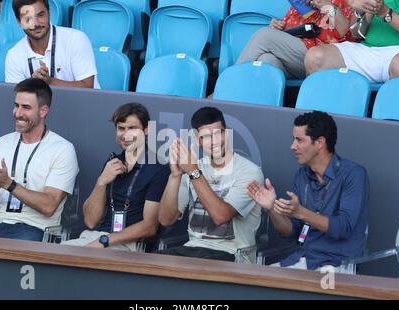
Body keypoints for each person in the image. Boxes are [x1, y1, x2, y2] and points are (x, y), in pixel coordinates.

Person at [247, 111, 369, 271]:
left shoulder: (353, 174)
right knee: (259, 283)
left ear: (320, 142)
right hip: (302, 259)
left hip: (336, 266)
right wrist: (271, 209)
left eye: (299, 140)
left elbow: (343, 228)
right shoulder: (301, 176)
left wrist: (301, 212)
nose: (292, 146)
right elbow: (292, 231)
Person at [0, 78, 79, 241]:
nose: (18, 113)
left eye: (26, 108)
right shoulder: (0, 144)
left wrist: (9, 184)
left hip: (35, 230)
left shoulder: (63, 149)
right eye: (16, 105)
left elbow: (49, 206)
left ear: (43, 111)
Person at [157, 107, 264, 262]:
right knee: (152, 265)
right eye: (206, 136)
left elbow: (221, 216)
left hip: (233, 255)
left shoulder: (250, 172)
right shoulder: (193, 167)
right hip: (193, 249)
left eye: (218, 133)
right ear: (197, 140)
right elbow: (166, 219)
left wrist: (194, 172)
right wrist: (175, 176)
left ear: (227, 133)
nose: (213, 142)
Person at [63, 103, 170, 251]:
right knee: (56, 255)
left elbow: (149, 226)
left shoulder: (159, 167)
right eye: (121, 128)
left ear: (147, 130)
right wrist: (101, 182)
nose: (125, 135)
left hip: (131, 245)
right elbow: (90, 221)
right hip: (96, 237)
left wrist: (105, 241)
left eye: (132, 128)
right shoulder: (112, 163)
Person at [236, 0, 356, 79]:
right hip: (295, 58)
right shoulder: (300, 4)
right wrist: (276, 26)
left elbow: (346, 33)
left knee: (264, 36)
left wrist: (329, 6)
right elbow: (286, 28)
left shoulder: (346, 2)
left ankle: (232, 83)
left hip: (320, 56)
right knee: (267, 61)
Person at [5, 0, 100, 88]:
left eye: (40, 15)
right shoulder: (14, 55)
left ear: (49, 13)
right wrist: (33, 85)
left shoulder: (76, 39)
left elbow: (87, 87)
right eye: (28, 18)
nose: (36, 24)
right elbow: (17, 98)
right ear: (19, 22)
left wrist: (50, 82)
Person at [305, 0, 399, 83]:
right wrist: (363, 11)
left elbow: (384, 12)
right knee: (315, 57)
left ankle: (387, 105)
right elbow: (355, 33)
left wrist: (384, 12)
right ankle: (329, 105)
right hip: (367, 50)